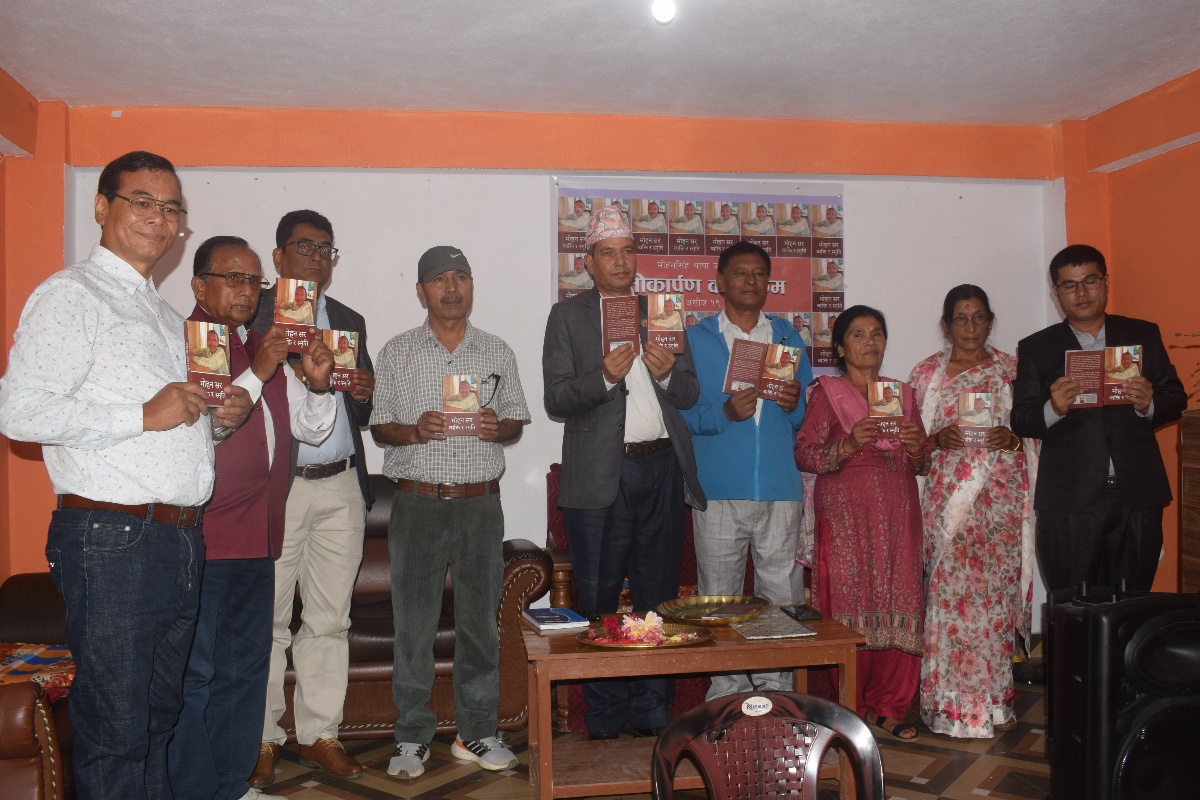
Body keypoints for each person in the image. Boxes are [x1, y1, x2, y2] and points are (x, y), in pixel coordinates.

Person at [0, 151, 253, 798]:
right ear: (101, 207)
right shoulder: (71, 295)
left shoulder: (167, 319)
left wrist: (219, 420)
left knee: (157, 721)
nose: (158, 218)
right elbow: (18, 412)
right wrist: (141, 413)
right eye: (142, 201)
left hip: (179, 539)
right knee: (116, 730)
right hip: (111, 538)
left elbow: (175, 428)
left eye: (171, 208)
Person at [170, 237, 337, 800]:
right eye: (233, 278)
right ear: (200, 285)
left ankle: (233, 785)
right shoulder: (187, 343)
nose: (247, 291)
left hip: (261, 533)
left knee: (245, 670)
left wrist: (318, 384)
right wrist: (261, 369)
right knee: (197, 674)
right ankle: (197, 791)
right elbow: (202, 428)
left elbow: (309, 430)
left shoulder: (253, 345)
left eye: (254, 281)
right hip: (205, 535)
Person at [542, 204, 706, 739]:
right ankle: (606, 710)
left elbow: (690, 392)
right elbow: (556, 398)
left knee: (658, 595)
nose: (620, 261)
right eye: (608, 253)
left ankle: (654, 705)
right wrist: (604, 378)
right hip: (598, 474)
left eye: (628, 251)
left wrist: (667, 374)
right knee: (598, 595)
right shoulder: (568, 317)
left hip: (661, 468)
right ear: (588, 263)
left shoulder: (660, 311)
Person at [370, 245, 531, 777]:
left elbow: (516, 419)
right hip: (417, 503)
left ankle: (476, 732)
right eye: (440, 279)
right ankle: (411, 736)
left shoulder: (496, 350)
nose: (452, 287)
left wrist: (498, 426)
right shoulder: (397, 352)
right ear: (421, 292)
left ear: (472, 286)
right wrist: (414, 430)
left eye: (461, 276)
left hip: (479, 505)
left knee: (480, 623)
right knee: (413, 625)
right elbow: (380, 427)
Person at [250, 210, 377, 786]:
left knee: (329, 620)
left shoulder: (348, 320)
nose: (317, 258)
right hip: (278, 486)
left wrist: (365, 390)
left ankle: (320, 733)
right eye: (305, 247)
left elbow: (361, 411)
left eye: (326, 249)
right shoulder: (252, 314)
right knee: (269, 622)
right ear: (278, 257)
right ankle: (261, 738)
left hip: (342, 484)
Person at [1011, 244, 1185, 593]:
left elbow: (1176, 397)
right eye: (1070, 285)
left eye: (1090, 281)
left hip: (1137, 494)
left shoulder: (1143, 334)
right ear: (1056, 292)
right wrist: (1053, 407)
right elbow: (1022, 419)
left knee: (1132, 603)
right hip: (1070, 498)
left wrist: (1149, 404)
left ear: (1106, 282)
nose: (1082, 292)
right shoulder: (1036, 347)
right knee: (1072, 605)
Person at [681, 241, 812, 699]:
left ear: (768, 282)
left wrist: (794, 405)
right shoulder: (695, 340)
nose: (750, 281)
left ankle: (778, 692)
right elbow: (680, 413)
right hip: (718, 488)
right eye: (740, 273)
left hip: (779, 486)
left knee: (781, 594)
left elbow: (804, 414)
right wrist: (724, 414)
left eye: (759, 273)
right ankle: (726, 693)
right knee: (719, 597)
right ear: (720, 281)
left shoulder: (788, 338)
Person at [794, 305, 928, 742]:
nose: (869, 342)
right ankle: (851, 709)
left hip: (898, 514)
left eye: (876, 334)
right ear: (839, 348)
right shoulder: (827, 393)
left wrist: (916, 445)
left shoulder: (902, 394)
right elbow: (805, 453)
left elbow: (923, 463)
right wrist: (850, 444)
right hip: (846, 518)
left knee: (900, 602)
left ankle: (889, 708)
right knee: (850, 608)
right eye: (858, 335)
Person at [909, 285, 1036, 739]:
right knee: (948, 599)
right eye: (960, 319)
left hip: (1000, 501)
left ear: (990, 321)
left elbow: (1039, 432)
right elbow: (909, 446)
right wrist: (935, 440)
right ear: (946, 325)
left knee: (993, 601)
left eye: (978, 317)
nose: (970, 327)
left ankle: (993, 705)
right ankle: (947, 708)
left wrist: (1014, 440)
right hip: (946, 504)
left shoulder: (1012, 371)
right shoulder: (926, 374)